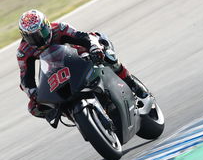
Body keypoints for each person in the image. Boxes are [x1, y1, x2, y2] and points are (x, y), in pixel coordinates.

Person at [17, 9, 148, 117]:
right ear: (24, 36)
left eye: (42, 32)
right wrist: (34, 93)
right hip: (55, 73)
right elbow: (25, 79)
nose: (39, 39)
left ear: (47, 25)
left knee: (108, 56)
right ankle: (72, 114)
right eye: (32, 37)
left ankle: (133, 85)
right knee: (35, 108)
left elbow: (83, 37)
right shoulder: (24, 52)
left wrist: (94, 48)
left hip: (77, 57)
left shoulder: (60, 28)